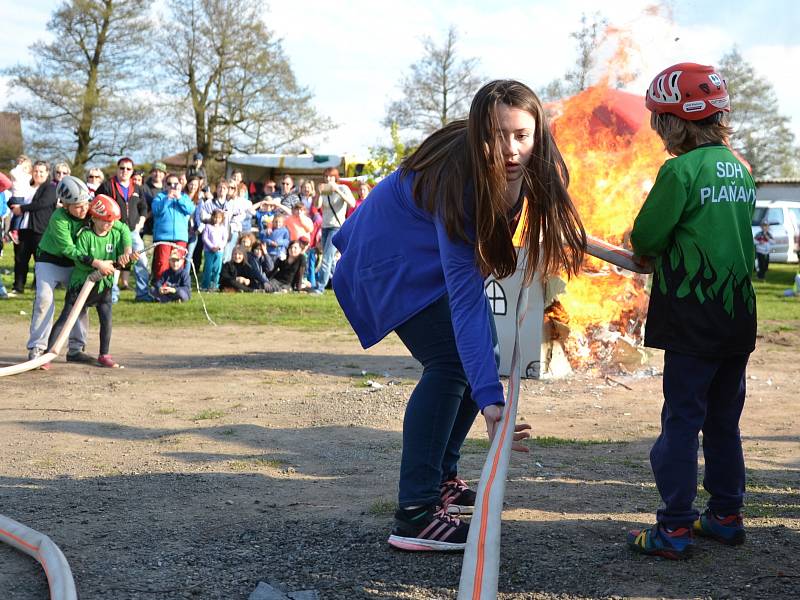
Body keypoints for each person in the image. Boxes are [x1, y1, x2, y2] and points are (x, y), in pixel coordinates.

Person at [332, 80, 584, 551]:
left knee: (475, 355)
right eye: (495, 134)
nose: (509, 149)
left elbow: (560, 222)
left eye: (521, 135)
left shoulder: (536, 164)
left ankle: (442, 477)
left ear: (538, 135)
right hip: (388, 261)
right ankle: (415, 515)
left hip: (414, 252)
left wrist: (627, 257)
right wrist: (491, 401)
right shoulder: (463, 184)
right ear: (477, 133)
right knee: (452, 362)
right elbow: (467, 300)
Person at [626, 63, 756, 560]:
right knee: (724, 420)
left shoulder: (680, 170)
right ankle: (726, 515)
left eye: (659, 118)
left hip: (692, 318)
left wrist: (640, 244)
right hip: (738, 317)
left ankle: (674, 528)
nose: (657, 129)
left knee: (681, 420)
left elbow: (647, 238)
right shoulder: (741, 168)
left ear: (675, 120)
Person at [27, 176, 130, 365]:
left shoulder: (89, 208)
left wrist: (127, 250)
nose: (84, 210)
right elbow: (69, 249)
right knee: (44, 299)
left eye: (85, 204)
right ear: (65, 205)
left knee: (81, 301)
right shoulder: (58, 218)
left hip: (75, 264)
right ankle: (38, 349)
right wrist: (97, 262)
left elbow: (121, 226)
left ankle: (75, 350)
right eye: (78, 206)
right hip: (49, 261)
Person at [48, 194, 133, 368]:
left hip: (104, 286)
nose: (109, 224)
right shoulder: (85, 236)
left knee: (106, 319)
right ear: (94, 218)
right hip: (81, 285)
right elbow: (80, 259)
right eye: (105, 221)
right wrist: (98, 266)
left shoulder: (115, 232)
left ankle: (104, 354)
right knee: (67, 317)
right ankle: (47, 354)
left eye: (112, 221)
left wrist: (127, 253)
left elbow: (124, 230)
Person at [96, 157, 149, 301]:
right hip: (113, 232)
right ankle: (111, 295)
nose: (125, 171)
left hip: (133, 232)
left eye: (128, 169)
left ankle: (143, 294)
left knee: (141, 261)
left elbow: (143, 207)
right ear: (117, 169)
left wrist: (141, 222)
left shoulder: (137, 187)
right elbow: (97, 203)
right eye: (122, 168)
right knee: (113, 263)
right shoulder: (108, 186)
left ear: (132, 171)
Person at [9, 160, 56, 295]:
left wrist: (22, 208)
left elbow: (42, 203)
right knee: (20, 259)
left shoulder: (50, 188)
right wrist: (13, 206)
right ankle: (18, 287)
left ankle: (39, 287)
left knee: (40, 260)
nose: (38, 174)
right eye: (36, 171)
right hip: (23, 229)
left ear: (47, 173)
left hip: (40, 230)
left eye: (42, 171)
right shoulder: (26, 186)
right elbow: (14, 199)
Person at [312, 167, 356, 294]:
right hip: (325, 227)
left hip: (336, 227)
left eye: (330, 176)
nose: (328, 179)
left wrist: (337, 191)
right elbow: (317, 206)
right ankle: (340, 285)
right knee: (330, 260)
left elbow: (352, 203)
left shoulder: (343, 188)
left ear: (335, 177)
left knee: (327, 257)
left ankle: (320, 287)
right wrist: (320, 193)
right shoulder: (325, 191)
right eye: (325, 177)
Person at [150, 173, 195, 282]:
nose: (172, 186)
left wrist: (179, 197)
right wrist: (167, 199)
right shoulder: (160, 197)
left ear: (180, 185)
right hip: (163, 237)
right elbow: (156, 211)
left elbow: (190, 209)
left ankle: (177, 288)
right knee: (162, 263)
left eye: (175, 184)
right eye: (169, 183)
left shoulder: (184, 197)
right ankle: (161, 288)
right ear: (165, 185)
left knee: (178, 263)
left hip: (180, 237)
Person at [201, 209, 228, 290]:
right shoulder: (208, 227)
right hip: (209, 251)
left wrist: (219, 247)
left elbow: (225, 239)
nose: (217, 219)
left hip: (219, 251)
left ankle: (215, 285)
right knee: (208, 268)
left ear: (222, 219)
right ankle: (205, 285)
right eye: (215, 217)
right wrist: (211, 247)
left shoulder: (223, 228)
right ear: (212, 217)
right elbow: (205, 238)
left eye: (219, 218)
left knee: (217, 268)